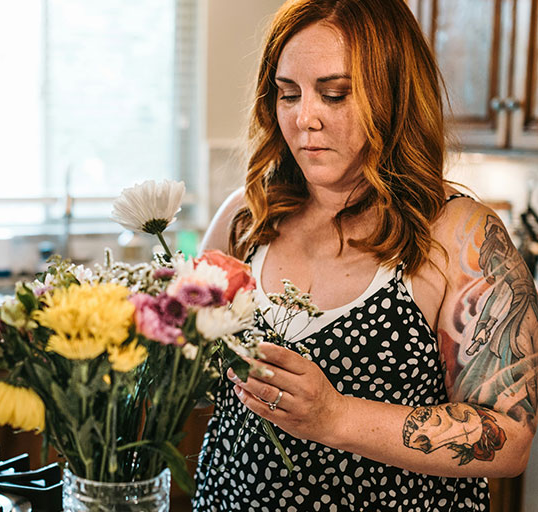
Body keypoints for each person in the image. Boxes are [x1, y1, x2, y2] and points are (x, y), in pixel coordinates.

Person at [193, 0, 538, 510]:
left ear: (394, 95)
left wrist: (334, 417)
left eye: (333, 94)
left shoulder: (458, 235)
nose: (304, 117)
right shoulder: (248, 217)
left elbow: (510, 439)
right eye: (288, 94)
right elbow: (197, 379)